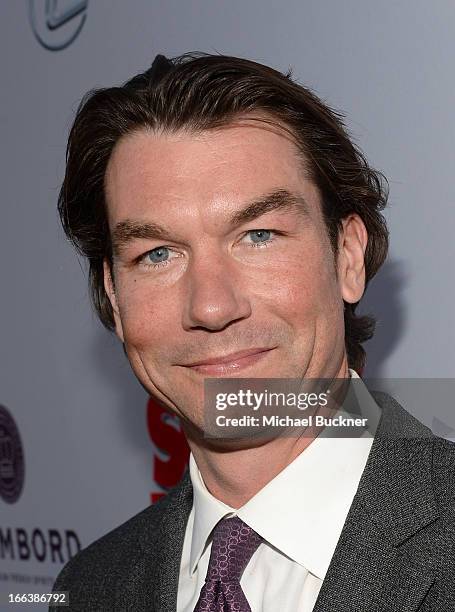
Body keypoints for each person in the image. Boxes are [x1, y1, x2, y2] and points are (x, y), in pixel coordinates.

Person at [52, 53, 455, 611]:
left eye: (259, 235)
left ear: (348, 257)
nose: (212, 306)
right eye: (158, 253)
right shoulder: (91, 587)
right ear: (114, 297)